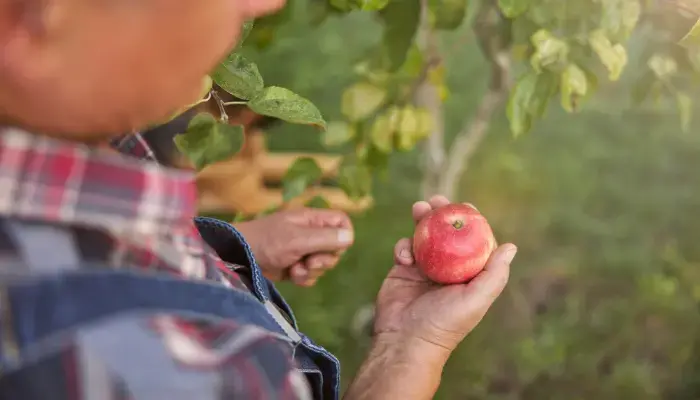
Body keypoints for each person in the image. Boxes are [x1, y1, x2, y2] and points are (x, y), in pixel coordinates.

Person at [0, 1, 518, 399]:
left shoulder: (81, 135)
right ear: (30, 22)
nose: (267, 2)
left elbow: (95, 244)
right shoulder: (144, 368)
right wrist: (411, 352)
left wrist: (225, 254)